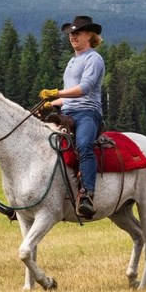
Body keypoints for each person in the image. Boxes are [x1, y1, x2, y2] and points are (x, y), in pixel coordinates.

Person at [39, 15, 106, 219]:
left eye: (77, 33)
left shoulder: (93, 59)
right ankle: (31, 198)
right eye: (71, 34)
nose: (73, 37)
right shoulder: (73, 60)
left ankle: (86, 194)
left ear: (89, 35)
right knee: (39, 143)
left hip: (88, 113)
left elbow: (84, 89)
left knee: (84, 145)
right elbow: (69, 95)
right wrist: (51, 104)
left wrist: (57, 93)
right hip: (67, 111)